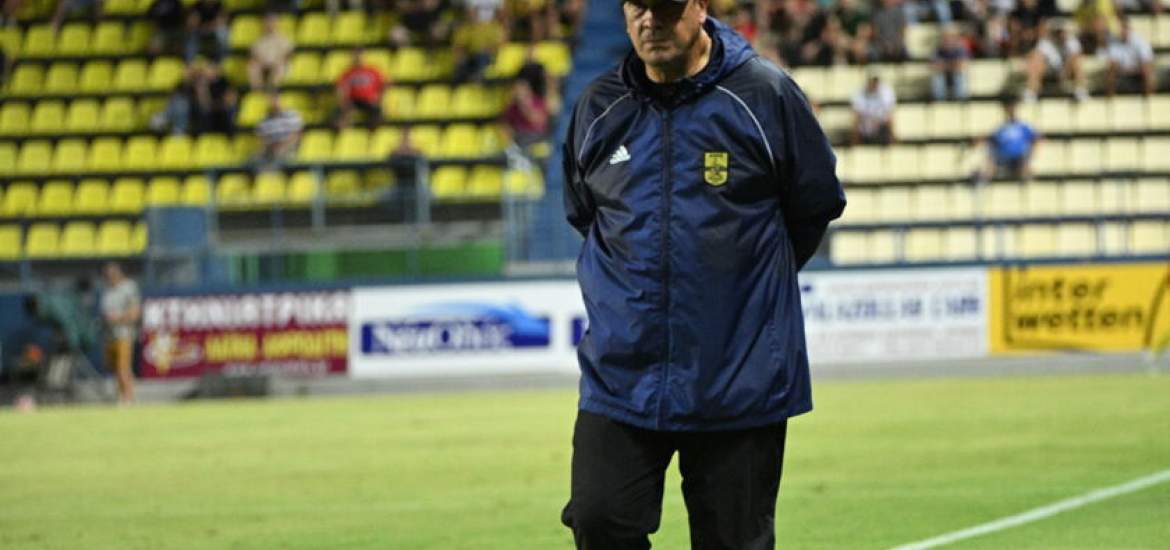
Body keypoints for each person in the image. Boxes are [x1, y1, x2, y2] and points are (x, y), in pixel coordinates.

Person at [559, 0, 845, 548]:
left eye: (666, 7)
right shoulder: (598, 105)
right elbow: (586, 214)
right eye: (638, 7)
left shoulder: (764, 94)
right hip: (623, 374)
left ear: (700, 7)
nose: (651, 21)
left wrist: (744, 291)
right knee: (599, 519)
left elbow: (814, 206)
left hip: (737, 374)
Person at [100, 262, 139, 405]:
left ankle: (128, 398)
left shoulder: (129, 288)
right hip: (109, 335)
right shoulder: (106, 290)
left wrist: (118, 317)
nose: (110, 276)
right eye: (107, 274)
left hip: (124, 333)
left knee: (123, 367)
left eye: (112, 273)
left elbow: (135, 313)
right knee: (114, 368)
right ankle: (122, 395)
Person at [1023, 18, 1088, 102]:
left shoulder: (1072, 42)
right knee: (1036, 63)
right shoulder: (1045, 43)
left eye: (1061, 31)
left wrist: (1065, 72)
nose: (1060, 34)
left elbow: (1075, 56)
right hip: (1049, 71)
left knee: (1077, 63)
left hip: (1067, 70)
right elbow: (1037, 56)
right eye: (1057, 32)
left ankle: (1080, 91)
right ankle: (1031, 92)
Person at [976, 99, 1040, 184]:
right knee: (990, 153)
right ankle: (985, 177)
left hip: (1019, 158)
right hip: (1002, 158)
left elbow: (1036, 138)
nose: (1011, 112)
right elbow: (991, 139)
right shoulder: (1001, 128)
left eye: (1013, 110)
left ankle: (1026, 178)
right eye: (1009, 110)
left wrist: (1030, 155)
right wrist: (980, 140)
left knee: (1024, 165)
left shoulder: (1023, 127)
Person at [1102, 16, 1156, 97]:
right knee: (1110, 72)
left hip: (1137, 71)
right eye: (1121, 28)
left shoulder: (1140, 42)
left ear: (1129, 28)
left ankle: (1149, 99)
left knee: (1147, 72)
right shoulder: (1113, 42)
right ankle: (1110, 100)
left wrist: (1136, 69)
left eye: (1125, 28)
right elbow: (1113, 63)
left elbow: (1147, 62)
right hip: (1121, 72)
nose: (1123, 31)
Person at [334, 48, 386, 130]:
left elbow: (383, 85)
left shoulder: (372, 71)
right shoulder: (347, 72)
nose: (358, 58)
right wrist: (343, 101)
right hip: (353, 100)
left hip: (368, 100)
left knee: (376, 112)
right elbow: (340, 88)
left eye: (359, 55)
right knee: (338, 113)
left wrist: (379, 99)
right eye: (355, 55)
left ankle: (373, 130)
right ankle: (343, 130)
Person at [247, 13, 294, 91]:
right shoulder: (259, 40)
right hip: (263, 64)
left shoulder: (283, 38)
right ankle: (257, 91)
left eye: (272, 21)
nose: (269, 24)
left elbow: (289, 54)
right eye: (267, 21)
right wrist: (261, 61)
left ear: (276, 23)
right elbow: (253, 55)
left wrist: (279, 61)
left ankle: (273, 90)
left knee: (282, 67)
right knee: (252, 66)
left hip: (278, 63)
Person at [254, 94, 303, 169]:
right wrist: (269, 149)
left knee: (281, 160)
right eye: (270, 99)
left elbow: (296, 136)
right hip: (270, 152)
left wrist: (282, 147)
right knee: (253, 161)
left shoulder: (292, 115)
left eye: (275, 99)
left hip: (289, 151)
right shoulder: (263, 119)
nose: (273, 102)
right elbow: (262, 141)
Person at [851, 71, 896, 145]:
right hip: (864, 129)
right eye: (872, 80)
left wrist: (892, 135)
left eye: (876, 81)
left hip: (880, 129)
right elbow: (856, 117)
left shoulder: (887, 92)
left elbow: (889, 115)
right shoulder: (859, 93)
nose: (874, 83)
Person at [193, 62, 237, 134]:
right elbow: (204, 103)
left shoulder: (226, 82)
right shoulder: (202, 84)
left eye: (214, 68)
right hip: (209, 113)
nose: (212, 71)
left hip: (222, 112)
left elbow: (230, 101)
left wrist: (215, 105)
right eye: (209, 69)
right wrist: (203, 87)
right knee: (204, 112)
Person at [931, 25, 970, 101]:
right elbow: (934, 66)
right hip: (944, 75)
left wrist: (945, 65)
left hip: (954, 74)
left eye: (951, 37)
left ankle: (961, 101)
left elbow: (962, 65)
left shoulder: (961, 49)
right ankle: (939, 101)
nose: (948, 40)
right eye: (945, 37)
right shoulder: (938, 49)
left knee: (959, 75)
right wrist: (952, 65)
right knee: (937, 77)